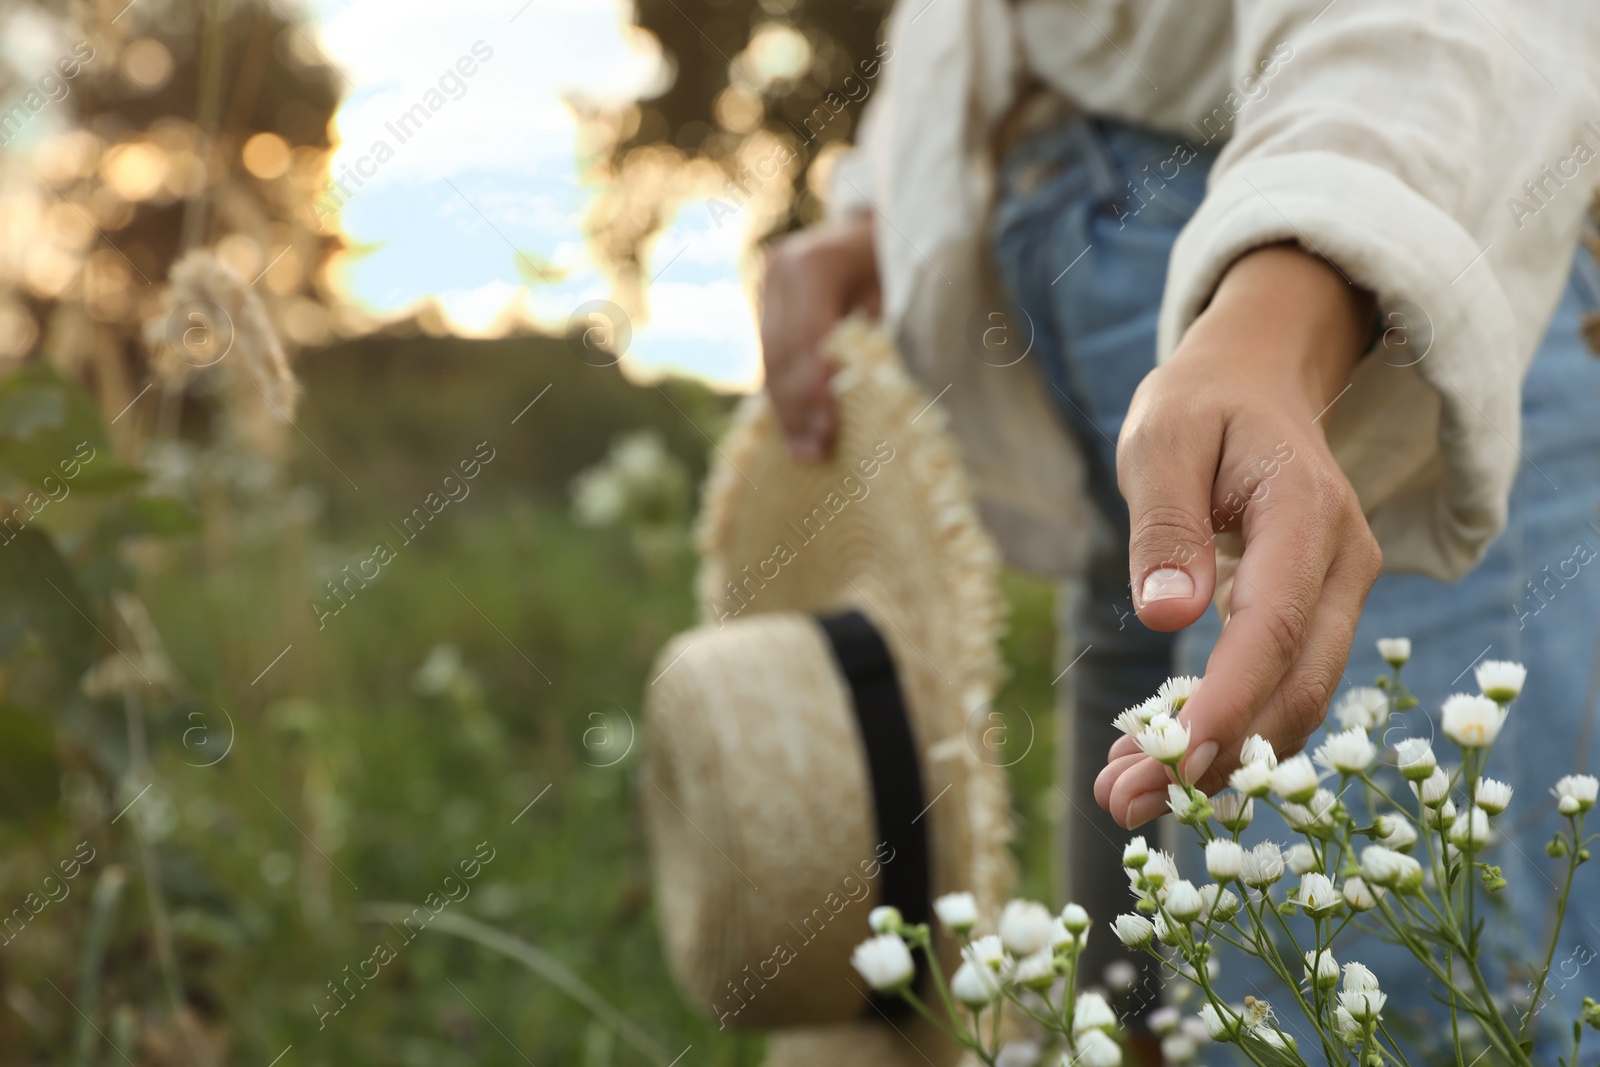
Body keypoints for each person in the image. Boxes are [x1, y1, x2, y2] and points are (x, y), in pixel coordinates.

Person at [757, 0, 1600, 1055]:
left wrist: (1283, 313)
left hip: (1381, 308)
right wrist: (894, 196)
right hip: (1128, 314)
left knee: (1396, 1002)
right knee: (1140, 998)